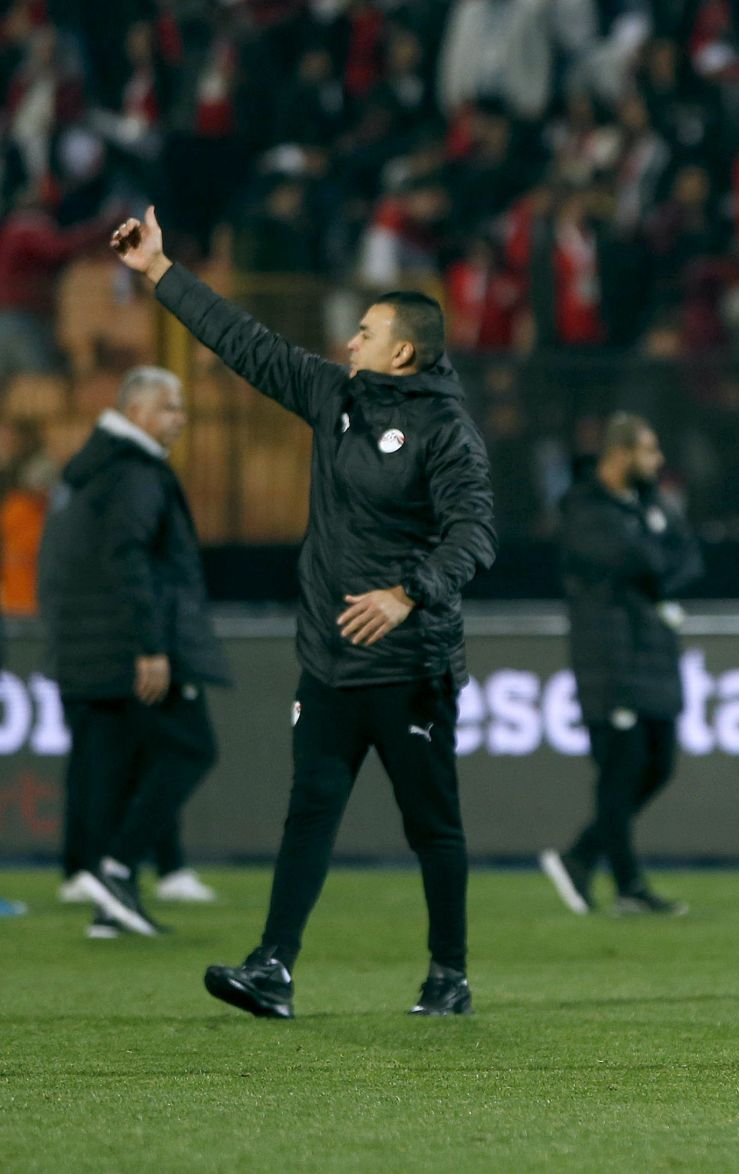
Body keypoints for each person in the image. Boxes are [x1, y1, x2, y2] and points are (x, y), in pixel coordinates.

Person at [110, 207, 496, 1018]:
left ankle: (448, 974)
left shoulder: (446, 430)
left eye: (365, 331)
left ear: (403, 351)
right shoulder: (335, 398)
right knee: (309, 814)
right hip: (329, 659)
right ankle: (273, 967)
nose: (348, 341)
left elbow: (475, 535)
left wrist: (406, 595)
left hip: (410, 663)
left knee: (432, 825)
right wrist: (159, 272)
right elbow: (244, 343)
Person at [39, 367, 230, 940]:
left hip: (90, 646)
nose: (180, 418)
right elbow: (132, 559)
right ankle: (118, 869)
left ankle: (109, 905)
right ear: (136, 411)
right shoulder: (136, 472)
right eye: (170, 407)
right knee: (191, 748)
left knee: (114, 765)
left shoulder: (90, 469)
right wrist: (151, 646)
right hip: (135, 645)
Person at [541, 413, 702, 918]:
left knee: (658, 765)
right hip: (608, 659)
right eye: (649, 451)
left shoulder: (651, 504)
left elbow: (689, 562)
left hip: (652, 653)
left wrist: (655, 558)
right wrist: (657, 556)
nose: (657, 462)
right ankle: (628, 884)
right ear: (620, 454)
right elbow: (645, 562)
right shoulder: (583, 506)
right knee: (621, 769)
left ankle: (580, 857)